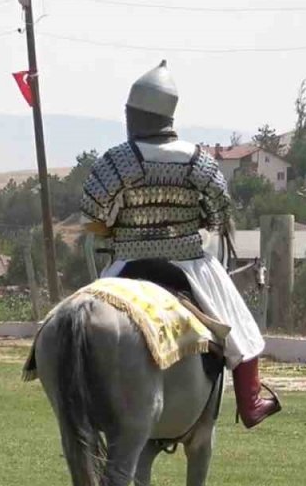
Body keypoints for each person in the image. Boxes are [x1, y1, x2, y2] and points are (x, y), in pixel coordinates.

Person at [82, 60, 280, 428]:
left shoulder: (116, 160)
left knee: (85, 316)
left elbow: (93, 217)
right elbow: (220, 215)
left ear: (134, 115)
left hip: (127, 262)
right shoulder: (199, 161)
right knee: (239, 327)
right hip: (189, 262)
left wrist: (115, 229)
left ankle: (84, 403)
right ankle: (251, 401)